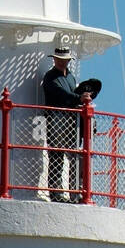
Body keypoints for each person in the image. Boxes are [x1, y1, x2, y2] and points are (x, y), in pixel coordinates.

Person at [40, 47, 92, 201]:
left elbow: (69, 95)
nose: (62, 62)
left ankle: (75, 193)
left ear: (69, 60)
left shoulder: (69, 77)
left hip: (71, 120)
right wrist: (79, 98)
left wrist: (79, 99)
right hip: (56, 119)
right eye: (59, 59)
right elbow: (62, 95)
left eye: (65, 59)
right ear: (54, 59)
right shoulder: (50, 77)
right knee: (57, 155)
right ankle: (56, 193)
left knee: (75, 156)